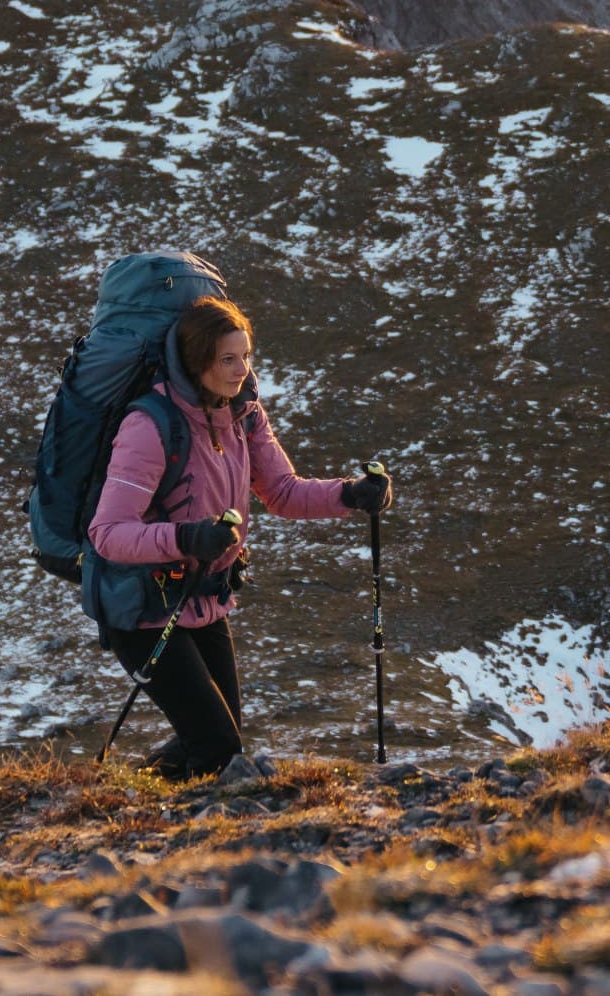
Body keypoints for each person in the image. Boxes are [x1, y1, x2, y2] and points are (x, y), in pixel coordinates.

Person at [86, 295, 391, 778]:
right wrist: (188, 538)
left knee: (216, 740)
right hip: (142, 607)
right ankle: (180, 835)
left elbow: (283, 492)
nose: (241, 370)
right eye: (228, 359)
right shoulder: (149, 425)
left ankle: (128, 794)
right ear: (195, 359)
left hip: (205, 597)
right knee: (217, 744)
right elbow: (107, 534)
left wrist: (351, 494)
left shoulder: (245, 415)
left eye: (245, 355)